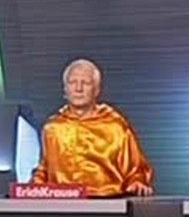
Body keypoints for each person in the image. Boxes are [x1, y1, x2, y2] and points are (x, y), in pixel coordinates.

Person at [31, 59, 154, 197]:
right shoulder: (53, 128)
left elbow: (135, 169)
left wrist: (137, 182)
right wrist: (34, 187)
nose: (78, 89)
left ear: (96, 89)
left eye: (86, 83)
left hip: (108, 202)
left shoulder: (115, 127)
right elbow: (44, 169)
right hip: (64, 202)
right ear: (65, 89)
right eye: (72, 82)